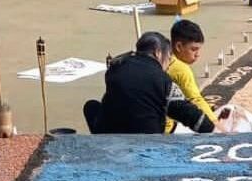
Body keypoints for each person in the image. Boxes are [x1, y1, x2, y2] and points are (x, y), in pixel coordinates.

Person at [83, 32, 216, 134]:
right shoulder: (162, 79)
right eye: (168, 59)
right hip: (147, 142)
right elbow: (186, 112)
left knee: (91, 106)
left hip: (110, 136)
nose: (168, 64)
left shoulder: (116, 67)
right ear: (158, 53)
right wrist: (211, 127)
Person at [165, 20, 218, 133]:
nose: (198, 54)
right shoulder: (181, 69)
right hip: (165, 130)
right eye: (194, 49)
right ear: (179, 46)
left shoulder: (164, 55)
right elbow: (195, 99)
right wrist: (215, 124)